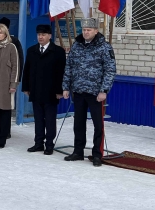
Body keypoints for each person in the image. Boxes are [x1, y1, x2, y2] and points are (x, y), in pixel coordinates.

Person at [62, 18, 116, 167]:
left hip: (95, 93)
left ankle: (97, 154)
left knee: (98, 124)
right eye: (84, 30)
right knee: (78, 123)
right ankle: (78, 151)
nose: (85, 32)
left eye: (89, 30)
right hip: (78, 90)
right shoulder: (77, 46)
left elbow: (110, 70)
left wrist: (104, 90)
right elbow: (69, 67)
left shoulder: (104, 47)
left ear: (96, 31)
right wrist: (66, 87)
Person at [23, 24, 66, 155]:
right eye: (39, 35)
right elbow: (27, 70)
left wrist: (60, 90)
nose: (40, 37)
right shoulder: (32, 50)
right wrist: (26, 87)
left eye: (43, 35)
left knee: (50, 119)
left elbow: (62, 72)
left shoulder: (58, 51)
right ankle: (38, 143)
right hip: (36, 90)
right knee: (38, 118)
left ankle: (49, 144)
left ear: (50, 36)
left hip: (51, 91)